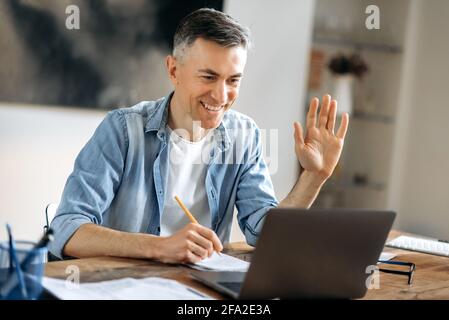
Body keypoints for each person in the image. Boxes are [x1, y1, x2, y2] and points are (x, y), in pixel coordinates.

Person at [49, 8, 348, 263]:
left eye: (233, 80)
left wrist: (314, 176)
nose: (221, 95)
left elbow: (263, 234)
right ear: (174, 70)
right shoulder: (123, 130)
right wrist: (160, 248)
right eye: (208, 77)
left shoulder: (244, 137)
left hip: (196, 290)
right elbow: (67, 228)